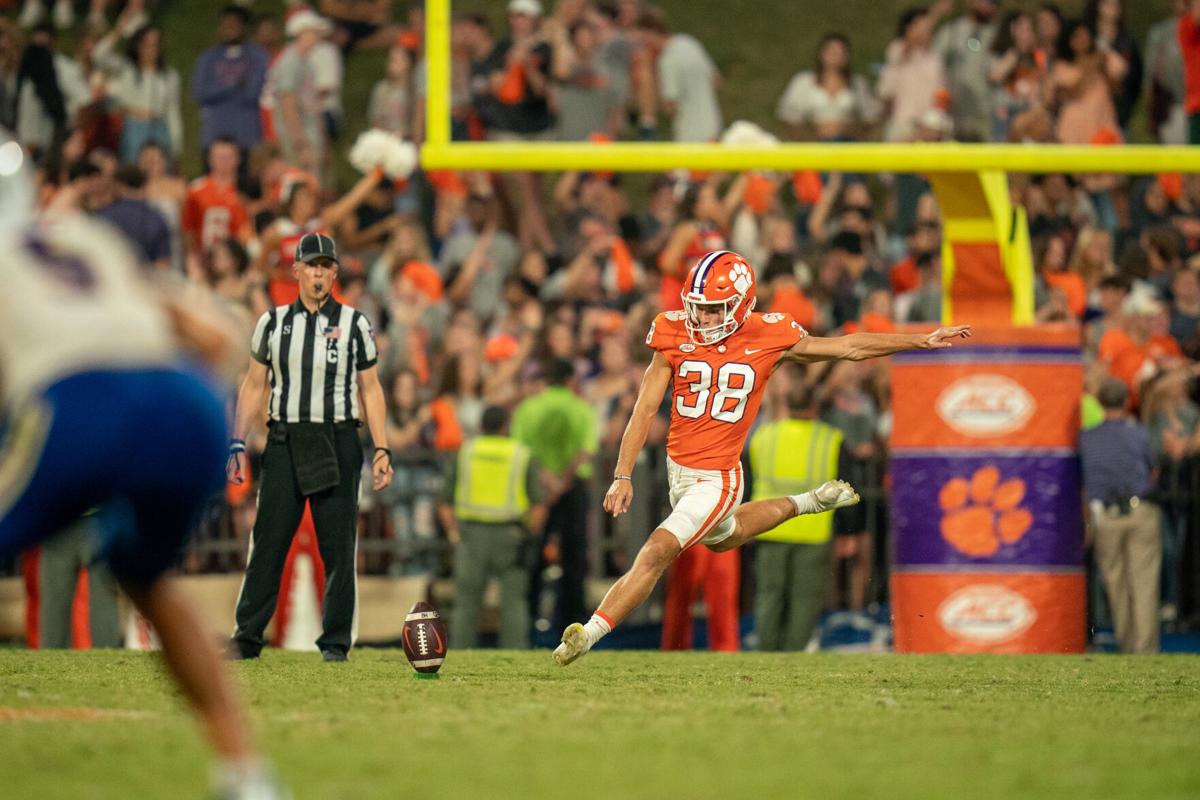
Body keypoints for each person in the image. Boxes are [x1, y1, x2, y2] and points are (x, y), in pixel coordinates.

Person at [0, 133, 284, 798]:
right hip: (184, 403)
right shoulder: (79, 241)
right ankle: (247, 773)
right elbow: (213, 332)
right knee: (146, 575)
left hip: (82, 402)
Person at [553, 250, 971, 666]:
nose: (705, 320)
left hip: (717, 477)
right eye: (698, 309)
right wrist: (622, 474)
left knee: (658, 548)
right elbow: (644, 408)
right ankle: (810, 501)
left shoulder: (768, 335)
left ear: (742, 304)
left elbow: (848, 347)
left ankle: (587, 634)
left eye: (716, 310)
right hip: (677, 471)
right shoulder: (671, 331)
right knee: (728, 536)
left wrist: (920, 338)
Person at [227, 231, 394, 663]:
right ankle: (247, 637)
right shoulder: (273, 321)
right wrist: (236, 442)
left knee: (338, 546)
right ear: (296, 270)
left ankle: (336, 642)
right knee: (268, 543)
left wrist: (382, 449)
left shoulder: (356, 324)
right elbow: (252, 384)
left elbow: (371, 389)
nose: (318, 273)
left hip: (338, 437)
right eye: (311, 265)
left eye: (325, 265)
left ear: (335, 272)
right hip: (284, 439)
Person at [439, 405, 548, 649]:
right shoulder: (521, 454)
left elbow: (444, 501)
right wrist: (529, 534)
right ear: (505, 427)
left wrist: (453, 533)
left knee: (466, 603)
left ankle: (459, 653)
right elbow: (539, 503)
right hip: (511, 534)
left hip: (471, 535)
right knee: (514, 603)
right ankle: (516, 654)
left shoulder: (465, 452)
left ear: (481, 426)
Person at [749, 374, 844, 651]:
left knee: (769, 593)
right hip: (813, 532)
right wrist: (852, 530)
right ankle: (794, 653)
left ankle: (767, 651)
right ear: (814, 407)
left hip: (768, 527)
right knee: (805, 597)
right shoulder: (831, 439)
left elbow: (747, 481)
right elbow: (847, 488)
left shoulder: (763, 436)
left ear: (787, 404)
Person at [513, 357, 597, 634]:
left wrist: (546, 481)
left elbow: (522, 451)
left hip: (537, 488)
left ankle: (528, 622)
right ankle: (573, 624)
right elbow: (585, 450)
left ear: (545, 380)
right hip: (572, 488)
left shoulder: (527, 409)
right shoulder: (581, 409)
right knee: (574, 558)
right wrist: (563, 481)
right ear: (571, 380)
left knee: (533, 555)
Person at [1080, 379, 1161, 654]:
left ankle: (1127, 645)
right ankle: (1144, 648)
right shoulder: (1137, 432)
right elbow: (1153, 468)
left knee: (1115, 584)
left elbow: (1083, 481)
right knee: (1143, 582)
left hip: (1105, 516)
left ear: (1100, 403)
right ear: (1127, 401)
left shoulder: (1086, 437)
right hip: (1140, 509)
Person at [190, 4, 269, 154]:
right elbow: (200, 93)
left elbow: (251, 94)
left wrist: (218, 88)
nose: (229, 28)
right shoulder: (208, 58)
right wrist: (234, 85)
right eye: (225, 24)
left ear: (243, 27)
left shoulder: (256, 56)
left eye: (234, 24)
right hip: (214, 136)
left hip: (246, 137)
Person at [635, 5, 721, 142]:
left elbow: (670, 107)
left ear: (648, 34)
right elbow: (716, 80)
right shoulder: (689, 42)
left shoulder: (667, 61)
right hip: (713, 126)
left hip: (690, 134)